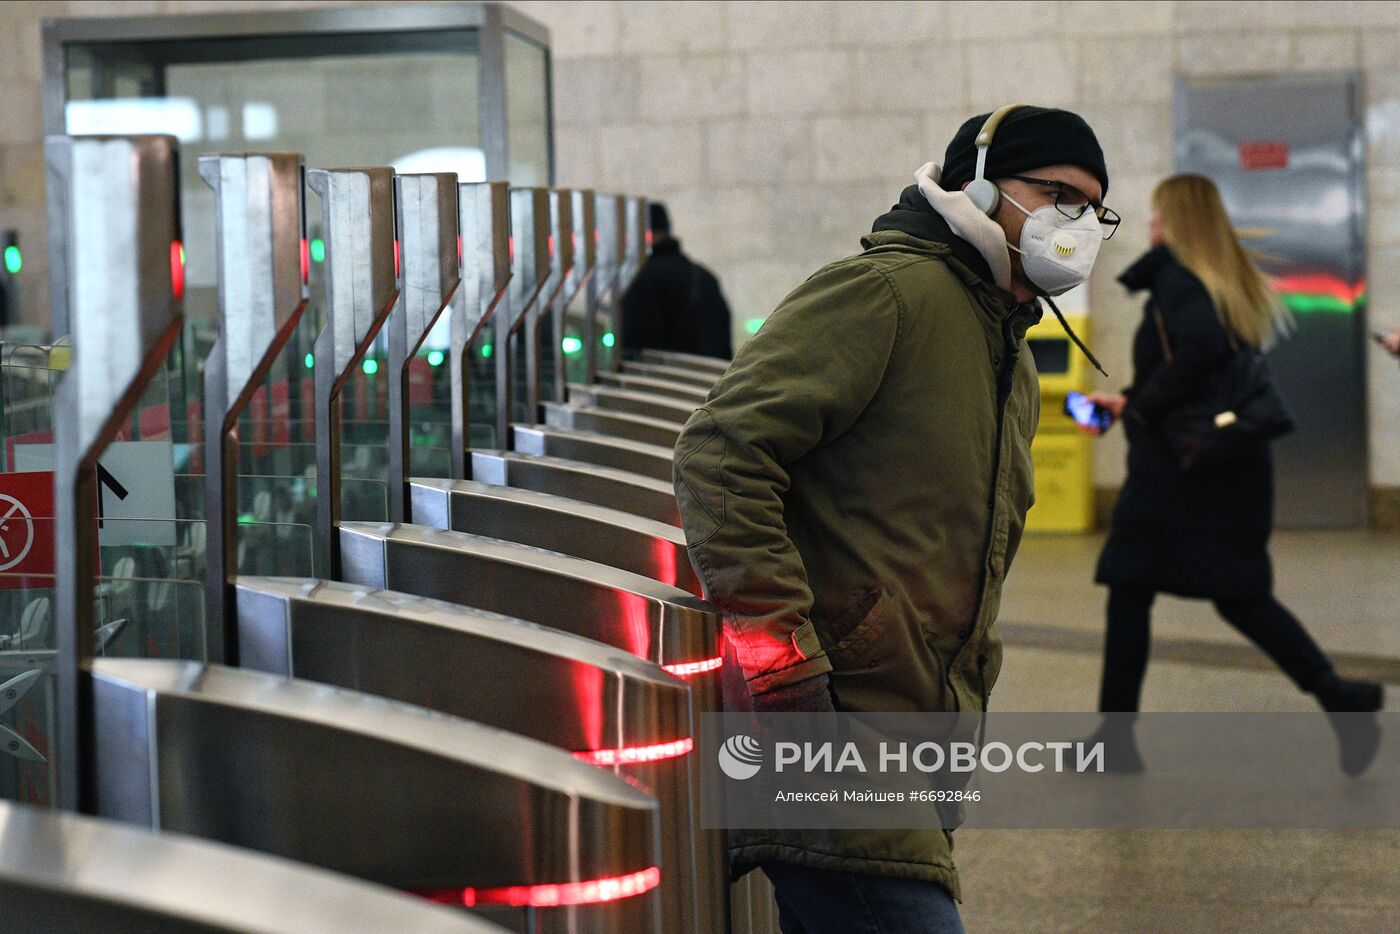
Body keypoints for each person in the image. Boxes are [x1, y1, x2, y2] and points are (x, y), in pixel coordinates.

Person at [673, 105, 1116, 934]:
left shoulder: (1008, 351)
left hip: (920, 741)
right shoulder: (885, 294)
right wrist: (782, 662)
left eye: (1094, 208)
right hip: (834, 727)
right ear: (979, 186)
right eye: (1057, 194)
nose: (1078, 224)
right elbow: (721, 450)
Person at [1087, 174, 1383, 775]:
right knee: (1225, 593)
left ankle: (1116, 742)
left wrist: (1141, 407)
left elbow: (1197, 352)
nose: (1150, 227)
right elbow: (1205, 368)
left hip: (1180, 475)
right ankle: (1335, 695)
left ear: (1177, 222)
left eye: (1157, 217)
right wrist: (1135, 399)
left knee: (1148, 588)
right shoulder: (1219, 282)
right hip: (1219, 466)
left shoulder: (1177, 278)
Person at [619, 202, 732, 360]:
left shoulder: (642, 280)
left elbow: (633, 345)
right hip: (711, 378)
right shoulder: (704, 276)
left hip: (664, 380)